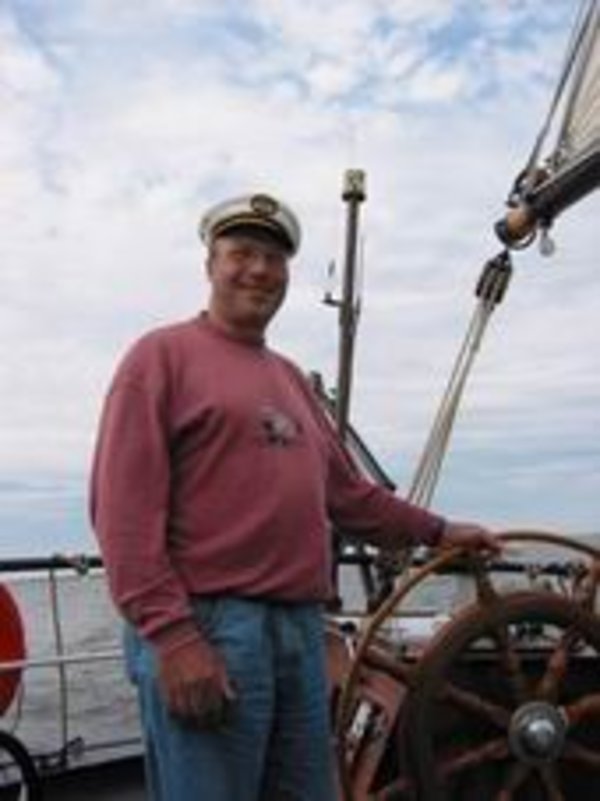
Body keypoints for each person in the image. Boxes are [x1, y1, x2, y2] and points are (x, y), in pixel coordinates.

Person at [90, 191, 499, 801]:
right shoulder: (159, 358)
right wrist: (174, 640)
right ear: (210, 264)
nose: (259, 269)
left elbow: (349, 496)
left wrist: (439, 531)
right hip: (208, 628)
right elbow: (122, 519)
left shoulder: (289, 379)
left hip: (299, 634)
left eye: (274, 258)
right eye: (242, 253)